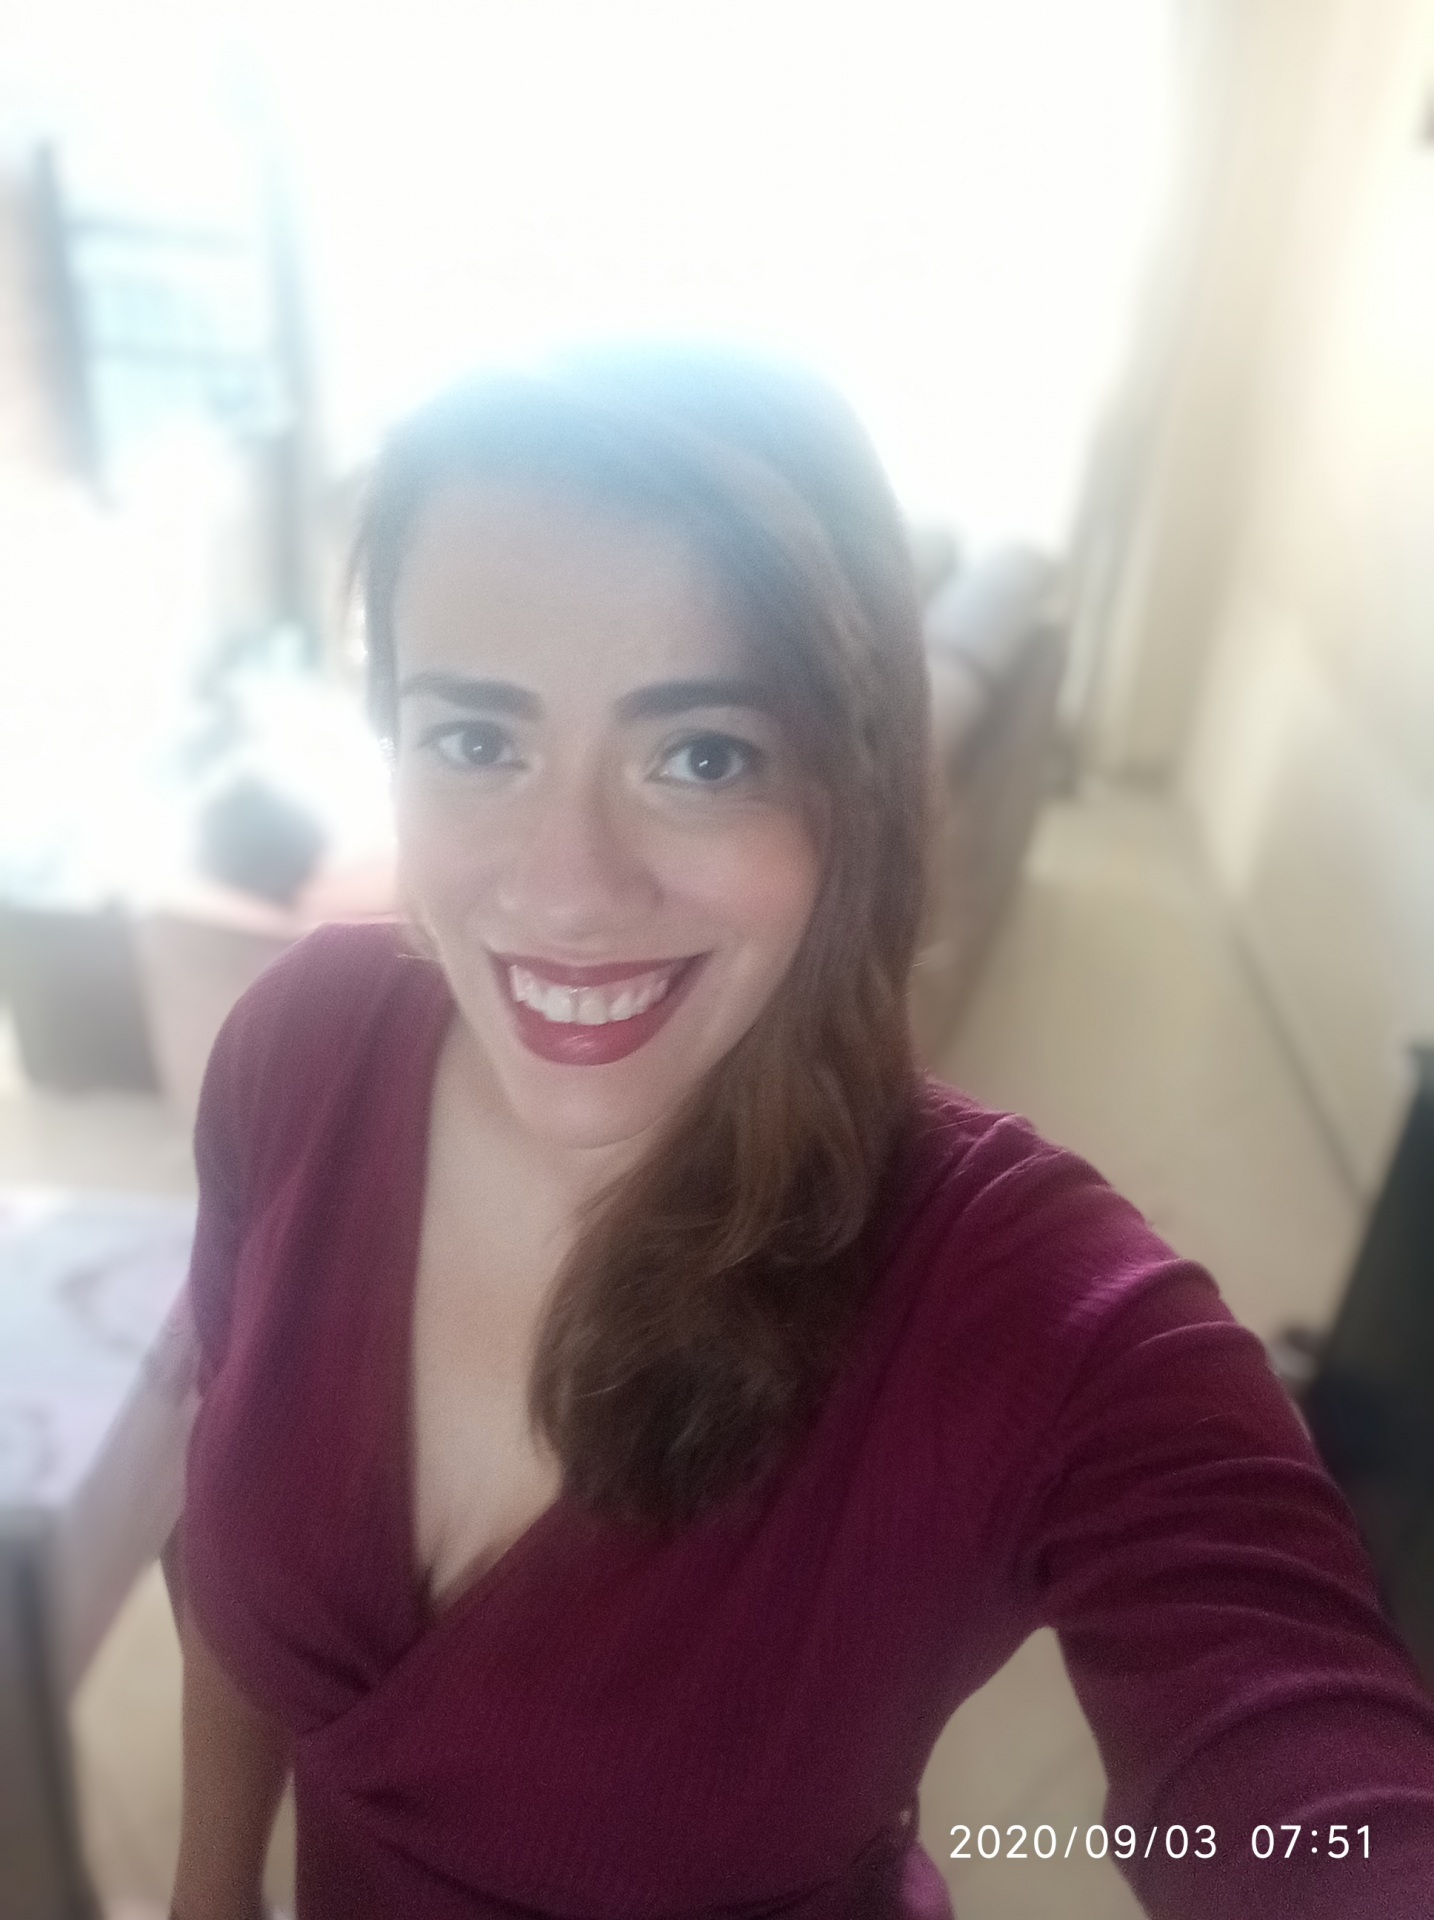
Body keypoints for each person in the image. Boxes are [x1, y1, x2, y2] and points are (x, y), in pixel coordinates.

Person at [169, 349, 1434, 1920]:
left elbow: (1311, 1795)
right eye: (477, 740)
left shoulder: (1029, 1310)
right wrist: (207, 1894)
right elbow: (223, 1511)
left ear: (853, 786)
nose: (564, 889)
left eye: (702, 756)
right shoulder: (301, 1045)